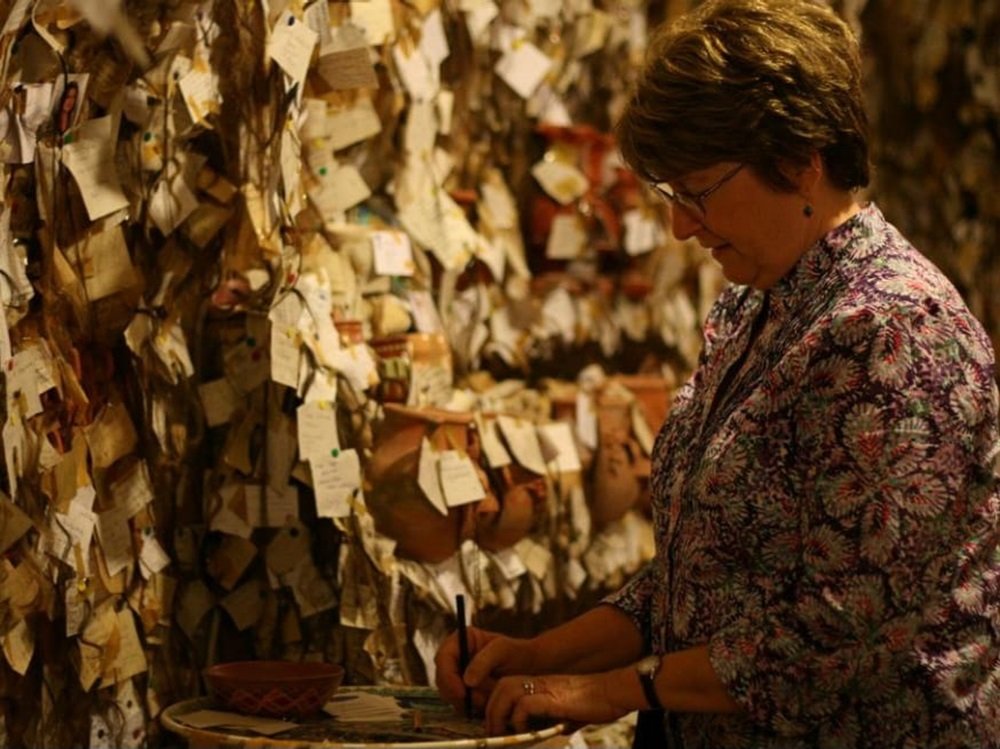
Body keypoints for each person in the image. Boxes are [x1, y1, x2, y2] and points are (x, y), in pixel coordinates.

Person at [434, 0, 1000, 747]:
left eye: (698, 191)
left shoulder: (893, 329)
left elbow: (843, 628)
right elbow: (705, 580)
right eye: (672, 196)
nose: (680, 225)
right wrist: (538, 656)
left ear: (799, 160)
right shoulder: (752, 306)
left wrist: (609, 690)